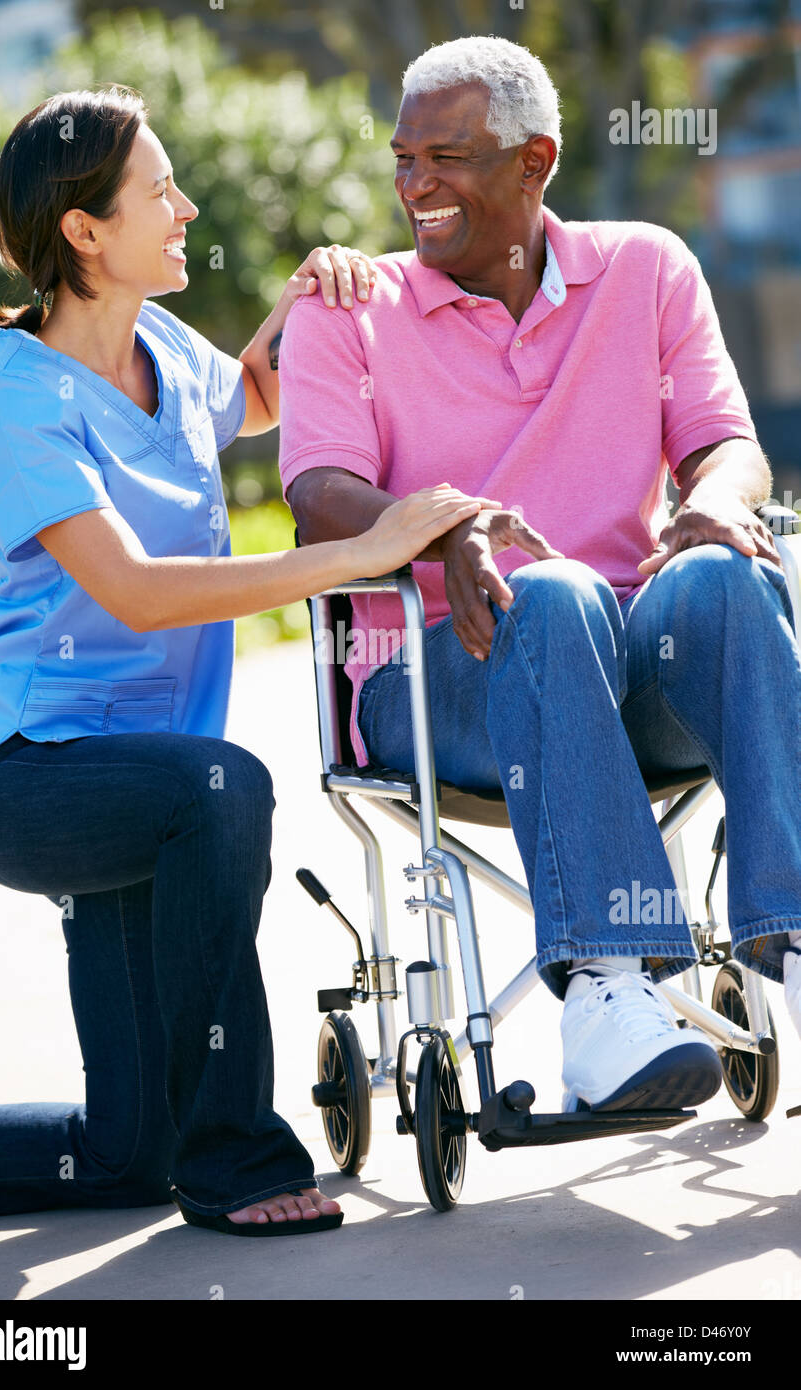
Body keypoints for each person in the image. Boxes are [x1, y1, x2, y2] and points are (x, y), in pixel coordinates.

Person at [0, 84, 495, 1236]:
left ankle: (169, 1148)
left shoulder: (157, 343)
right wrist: (370, 546)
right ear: (84, 232)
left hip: (141, 779)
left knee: (122, 1156)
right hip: (30, 778)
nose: (185, 208)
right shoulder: (18, 400)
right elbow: (136, 591)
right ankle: (237, 1157)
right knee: (221, 786)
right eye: (158, 193)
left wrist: (315, 294)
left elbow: (246, 395)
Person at [279, 36, 801, 1116]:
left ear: (533, 162)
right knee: (551, 593)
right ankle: (606, 992)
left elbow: (722, 441)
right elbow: (318, 493)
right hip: (438, 680)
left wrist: (719, 498)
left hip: (628, 671)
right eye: (402, 158)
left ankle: (788, 940)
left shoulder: (647, 267)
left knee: (729, 572)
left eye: (446, 156)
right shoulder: (347, 308)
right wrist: (444, 527)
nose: (412, 184)